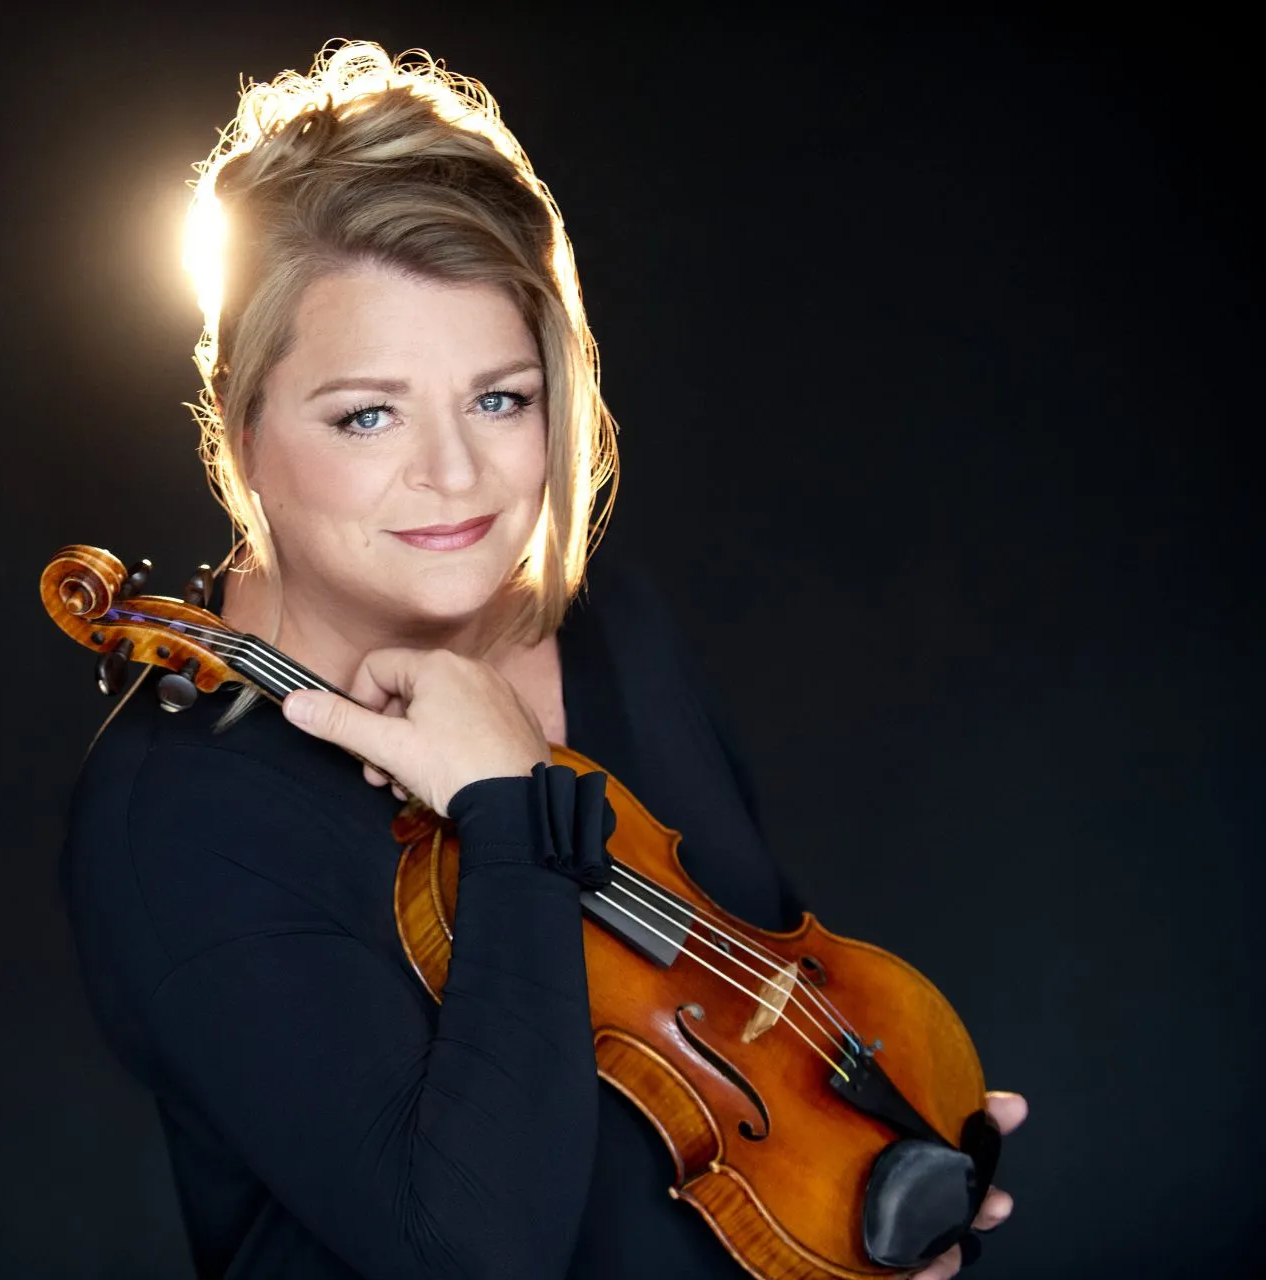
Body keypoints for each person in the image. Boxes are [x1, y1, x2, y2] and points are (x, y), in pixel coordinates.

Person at [60, 41, 1024, 1279]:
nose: (455, 473)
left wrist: (858, 1184)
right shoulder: (181, 815)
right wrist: (506, 811)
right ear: (242, 434)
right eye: (368, 413)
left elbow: (755, 1010)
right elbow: (471, 1249)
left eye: (500, 398)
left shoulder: (611, 626)